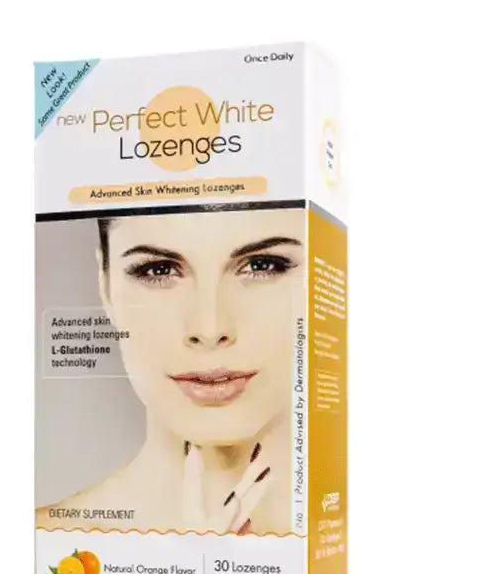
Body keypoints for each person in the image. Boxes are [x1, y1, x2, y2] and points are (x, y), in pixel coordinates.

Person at [36, 207, 304, 535]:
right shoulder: (44, 545)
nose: (209, 329)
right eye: (158, 270)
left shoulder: (348, 541)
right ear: (106, 288)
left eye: (263, 265)